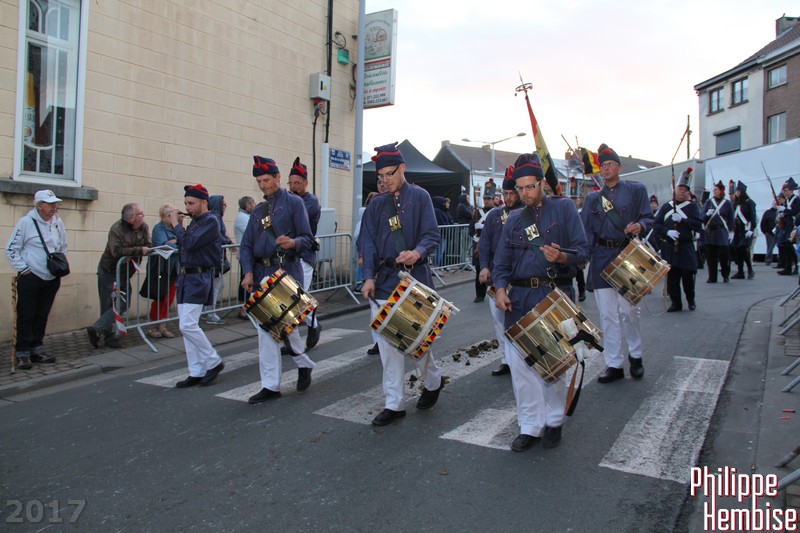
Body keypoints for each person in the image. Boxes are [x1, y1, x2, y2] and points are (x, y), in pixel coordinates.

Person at [493, 154, 589, 451]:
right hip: (520, 299)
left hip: (553, 296)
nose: (525, 193)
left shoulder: (564, 208)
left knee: (552, 365)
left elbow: (583, 252)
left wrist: (561, 257)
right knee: (521, 367)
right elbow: (501, 262)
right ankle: (530, 425)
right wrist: (500, 289)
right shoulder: (513, 220)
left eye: (530, 187)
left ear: (542, 183)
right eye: (520, 188)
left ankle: (554, 420)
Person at [360, 142, 444, 426]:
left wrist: (417, 252)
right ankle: (394, 404)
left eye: (389, 174)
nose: (384, 180)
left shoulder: (420, 197)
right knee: (388, 346)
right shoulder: (375, 204)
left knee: (417, 344)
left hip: (415, 280)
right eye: (380, 176)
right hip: (385, 282)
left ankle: (433, 382)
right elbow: (368, 243)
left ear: (402, 169)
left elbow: (432, 235)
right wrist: (368, 277)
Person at [240, 155, 316, 404]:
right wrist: (248, 272)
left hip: (285, 273)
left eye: (266, 180)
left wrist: (293, 242)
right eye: (259, 182)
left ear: (277, 178)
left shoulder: (294, 203)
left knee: (284, 328)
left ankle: (300, 366)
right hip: (261, 275)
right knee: (268, 331)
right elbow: (246, 245)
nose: (263, 186)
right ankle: (272, 384)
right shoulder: (258, 211)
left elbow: (308, 239)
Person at [580, 144, 653, 384]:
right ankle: (614, 364)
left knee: (629, 310)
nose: (606, 168)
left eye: (611, 164)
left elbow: (648, 217)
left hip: (626, 254)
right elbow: (585, 231)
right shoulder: (592, 199)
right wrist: (582, 257)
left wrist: (640, 226)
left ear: (619, 167)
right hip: (601, 257)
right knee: (608, 315)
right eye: (603, 165)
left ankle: (636, 355)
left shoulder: (636, 190)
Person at [5, 190, 67, 369]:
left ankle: (37, 349)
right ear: (39, 205)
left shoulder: (58, 222)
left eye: (55, 203)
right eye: (50, 204)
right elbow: (11, 249)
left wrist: (59, 265)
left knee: (42, 314)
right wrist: (24, 270)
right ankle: (22, 352)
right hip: (31, 276)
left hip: (51, 277)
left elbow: (63, 246)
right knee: (26, 314)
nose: (55, 207)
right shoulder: (26, 222)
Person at [170, 185, 225, 388]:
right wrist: (180, 228)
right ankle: (196, 370)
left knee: (188, 325)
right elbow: (184, 244)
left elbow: (191, 243)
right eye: (186, 203)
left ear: (203, 203)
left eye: (191, 203)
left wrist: (175, 225)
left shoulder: (211, 221)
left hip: (199, 277)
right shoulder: (195, 222)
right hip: (186, 278)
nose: (187, 207)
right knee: (186, 326)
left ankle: (213, 361)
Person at [87, 203, 151, 349]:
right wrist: (138, 250)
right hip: (109, 271)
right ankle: (108, 337)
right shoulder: (116, 229)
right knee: (107, 304)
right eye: (140, 213)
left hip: (125, 273)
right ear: (131, 217)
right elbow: (116, 250)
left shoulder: (143, 227)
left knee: (124, 303)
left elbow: (148, 245)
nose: (143, 216)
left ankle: (96, 328)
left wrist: (135, 251)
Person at [478, 167, 521, 377]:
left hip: (520, 276)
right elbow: (485, 243)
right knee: (499, 321)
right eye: (506, 194)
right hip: (497, 276)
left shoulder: (527, 214)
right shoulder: (494, 215)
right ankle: (506, 360)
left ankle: (521, 359)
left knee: (520, 320)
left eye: (512, 193)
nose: (509, 197)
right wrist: (484, 266)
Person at [287, 156, 323, 350]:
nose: (293, 187)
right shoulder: (291, 200)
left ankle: (313, 326)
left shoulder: (310, 202)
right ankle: (299, 335)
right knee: (292, 299)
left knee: (298, 299)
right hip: (289, 256)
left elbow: (293, 222)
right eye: (291, 183)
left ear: (305, 183)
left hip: (304, 255)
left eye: (297, 183)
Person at [653, 174, 702, 311]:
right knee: (672, 277)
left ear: (688, 193)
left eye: (685, 190)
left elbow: (698, 225)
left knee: (687, 275)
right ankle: (676, 303)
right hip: (669, 246)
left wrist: (683, 220)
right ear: (675, 190)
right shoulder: (666, 207)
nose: (682, 192)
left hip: (685, 245)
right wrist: (667, 232)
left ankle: (690, 300)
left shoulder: (692, 207)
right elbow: (656, 225)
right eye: (680, 189)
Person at [145, 204, 182, 338]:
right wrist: (176, 241)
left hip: (173, 268)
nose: (174, 218)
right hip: (161, 268)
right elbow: (163, 245)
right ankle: (152, 326)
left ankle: (162, 326)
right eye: (171, 215)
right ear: (164, 217)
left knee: (169, 298)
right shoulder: (158, 228)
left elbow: (184, 242)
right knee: (160, 298)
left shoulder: (177, 228)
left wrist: (174, 240)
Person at [202, 195, 231, 325]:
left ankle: (207, 311)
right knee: (215, 286)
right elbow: (218, 236)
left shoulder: (214, 217)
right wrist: (228, 242)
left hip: (216, 256)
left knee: (218, 284)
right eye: (223, 204)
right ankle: (210, 313)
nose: (225, 206)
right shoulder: (215, 218)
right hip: (215, 257)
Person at [702, 181, 735, 283]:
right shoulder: (708, 202)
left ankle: (725, 274)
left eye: (716, 189)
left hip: (722, 231)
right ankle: (712, 277)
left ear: (721, 191)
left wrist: (731, 231)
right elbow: (702, 217)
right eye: (714, 189)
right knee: (711, 257)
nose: (714, 191)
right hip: (710, 232)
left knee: (723, 255)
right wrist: (707, 214)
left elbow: (731, 218)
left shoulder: (727, 203)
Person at [470, 193, 495, 302]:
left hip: (492, 246)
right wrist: (476, 236)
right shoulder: (477, 213)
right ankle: (480, 295)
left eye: (489, 199)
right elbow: (471, 229)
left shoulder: (496, 213)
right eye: (485, 199)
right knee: (479, 270)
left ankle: (494, 293)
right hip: (478, 246)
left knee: (495, 271)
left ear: (493, 200)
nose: (487, 201)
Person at [234, 196, 256, 319]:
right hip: (246, 255)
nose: (254, 205)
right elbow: (253, 233)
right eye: (253, 203)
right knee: (245, 281)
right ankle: (243, 309)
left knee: (249, 281)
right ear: (247, 205)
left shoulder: (247, 216)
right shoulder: (242, 217)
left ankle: (249, 307)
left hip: (250, 255)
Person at [730, 181, 757, 280]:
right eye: (736, 191)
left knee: (743, 249)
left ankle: (750, 269)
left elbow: (753, 217)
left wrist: (751, 229)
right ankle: (740, 271)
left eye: (738, 191)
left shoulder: (749, 202)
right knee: (737, 250)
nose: (737, 193)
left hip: (746, 229)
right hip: (737, 230)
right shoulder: (736, 204)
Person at [776, 178, 799, 275]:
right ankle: (788, 267)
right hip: (787, 225)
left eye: (786, 190)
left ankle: (794, 266)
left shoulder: (796, 200)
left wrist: (784, 210)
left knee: (790, 246)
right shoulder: (787, 201)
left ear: (791, 190)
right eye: (784, 191)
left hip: (794, 225)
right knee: (786, 246)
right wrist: (782, 214)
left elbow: (796, 212)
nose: (784, 193)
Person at [569, 193, 587, 302]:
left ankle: (582, 290)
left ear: (579, 200)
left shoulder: (582, 213)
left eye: (575, 199)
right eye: (572, 199)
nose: (574, 201)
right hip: (568, 244)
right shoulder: (567, 213)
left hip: (577, 244)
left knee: (579, 271)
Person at [761, 200, 778, 266]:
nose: (775, 205)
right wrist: (765, 231)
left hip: (779, 232)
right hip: (770, 233)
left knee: (782, 246)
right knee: (770, 247)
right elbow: (763, 222)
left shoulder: (781, 212)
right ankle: (768, 260)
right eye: (774, 203)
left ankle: (784, 260)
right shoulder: (768, 212)